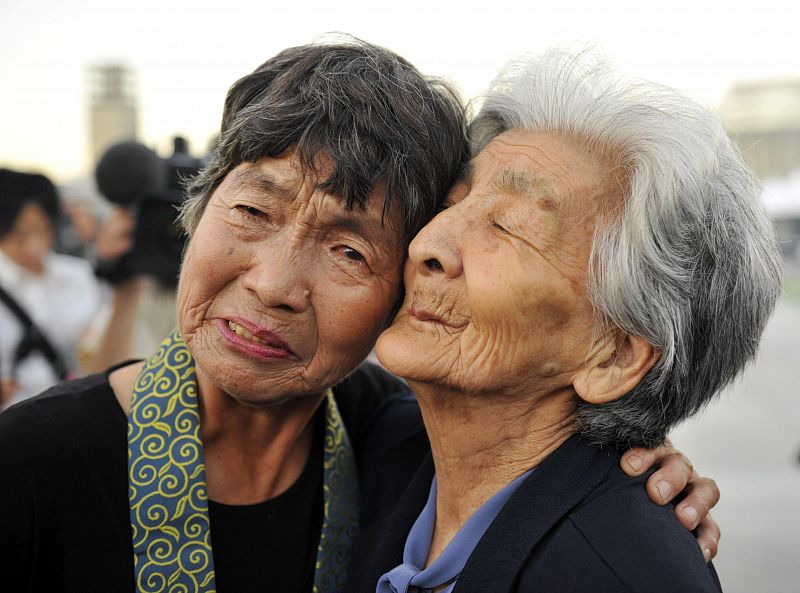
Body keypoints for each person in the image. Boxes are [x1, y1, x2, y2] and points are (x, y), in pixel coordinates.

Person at [0, 40, 719, 593]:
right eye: (252, 210)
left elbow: (529, 446)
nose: (274, 285)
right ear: (199, 208)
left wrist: (623, 465)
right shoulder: (31, 466)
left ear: (400, 286)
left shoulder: (394, 444)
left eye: (349, 251)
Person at [348, 49, 782, 593]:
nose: (425, 244)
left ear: (614, 357)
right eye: (452, 203)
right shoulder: (380, 450)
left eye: (507, 226)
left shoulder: (625, 578)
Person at [0, 169, 103, 407]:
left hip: (71, 413)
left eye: (43, 229)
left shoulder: (79, 276)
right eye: (20, 234)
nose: (34, 243)